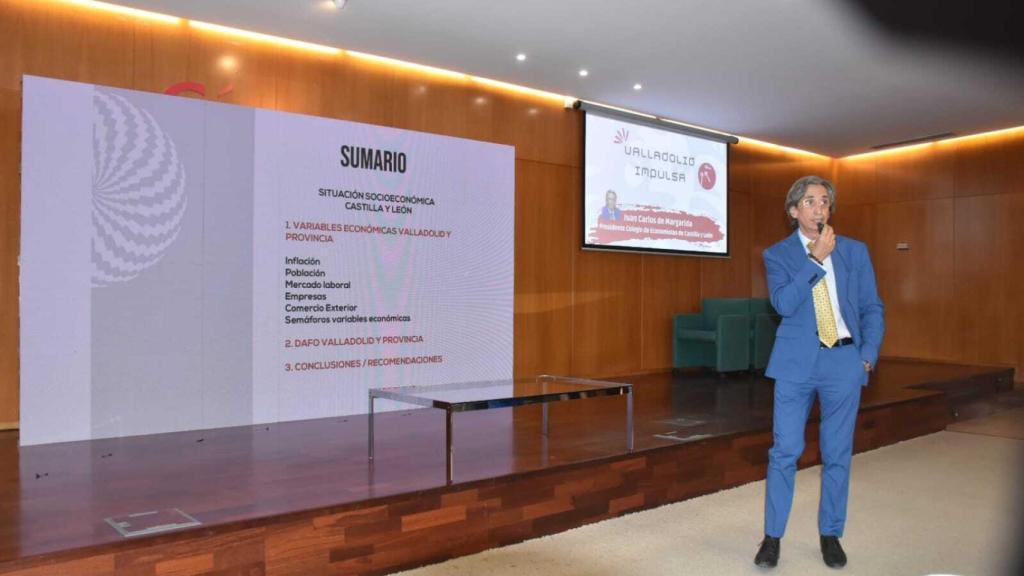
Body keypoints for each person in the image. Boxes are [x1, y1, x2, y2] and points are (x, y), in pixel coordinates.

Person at [754, 175, 885, 569]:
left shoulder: (855, 252)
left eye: (824, 202)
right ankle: (772, 537)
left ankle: (831, 534)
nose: (819, 208)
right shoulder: (777, 255)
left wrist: (867, 354)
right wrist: (814, 260)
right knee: (785, 451)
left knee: (837, 453)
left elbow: (871, 308)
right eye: (810, 202)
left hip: (843, 363)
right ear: (794, 212)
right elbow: (783, 304)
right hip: (795, 366)